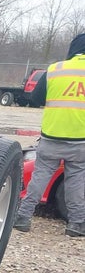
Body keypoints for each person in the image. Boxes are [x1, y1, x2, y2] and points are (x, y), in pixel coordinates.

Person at [14, 33, 85, 237]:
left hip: (51, 136)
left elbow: (35, 99)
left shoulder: (55, 69)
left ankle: (23, 217)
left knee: (40, 176)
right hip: (80, 139)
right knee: (77, 180)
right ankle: (77, 224)